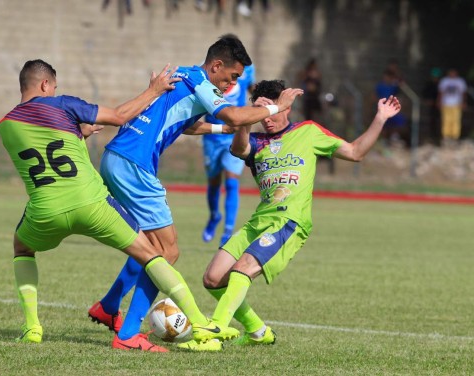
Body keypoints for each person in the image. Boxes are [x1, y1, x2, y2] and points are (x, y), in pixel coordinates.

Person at [0, 59, 238, 351]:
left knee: (22, 249)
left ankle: (32, 327)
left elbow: (49, 151)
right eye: (54, 87)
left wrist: (78, 134)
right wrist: (153, 90)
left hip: (45, 211)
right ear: (46, 84)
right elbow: (119, 116)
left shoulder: (6, 125)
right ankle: (199, 323)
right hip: (92, 205)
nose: (54, 92)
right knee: (154, 254)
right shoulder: (62, 104)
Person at [88, 36, 303, 351]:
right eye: (231, 77)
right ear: (216, 65)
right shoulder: (203, 81)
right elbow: (233, 115)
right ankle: (129, 333)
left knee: (149, 245)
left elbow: (183, 123)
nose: (232, 85)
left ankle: (108, 307)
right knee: (166, 253)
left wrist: (217, 130)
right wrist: (277, 106)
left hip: (117, 156)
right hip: (135, 164)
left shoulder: (186, 76)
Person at [193, 80, 401, 351]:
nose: (266, 118)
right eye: (261, 112)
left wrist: (380, 118)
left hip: (289, 222)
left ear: (286, 107)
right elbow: (238, 150)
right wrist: (247, 116)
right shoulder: (256, 141)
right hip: (259, 221)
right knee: (212, 278)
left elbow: (355, 152)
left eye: (272, 109)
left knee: (242, 269)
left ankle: (217, 328)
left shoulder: (308, 132)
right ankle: (258, 331)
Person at [202, 34, 256, 248]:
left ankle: (227, 231)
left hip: (233, 134)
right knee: (214, 181)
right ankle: (214, 216)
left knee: (232, 180)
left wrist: (263, 102)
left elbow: (252, 88)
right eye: (232, 76)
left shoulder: (246, 70)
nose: (233, 81)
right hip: (212, 134)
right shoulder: (211, 72)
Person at [438, 68, 468, 144]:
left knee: (456, 120)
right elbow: (441, 92)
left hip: (456, 104)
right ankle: (446, 136)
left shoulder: (460, 81)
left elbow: (463, 93)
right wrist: (439, 101)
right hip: (446, 103)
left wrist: (464, 102)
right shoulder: (445, 81)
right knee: (446, 120)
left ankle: (455, 136)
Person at [297, 58, 323, 123]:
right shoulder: (306, 74)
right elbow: (301, 80)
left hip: (315, 98)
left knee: (317, 116)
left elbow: (318, 85)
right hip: (308, 98)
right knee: (308, 117)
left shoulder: (317, 74)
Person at [422, 67, 442, 145]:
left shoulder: (440, 84)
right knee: (431, 121)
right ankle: (431, 136)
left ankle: (438, 137)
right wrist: (428, 100)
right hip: (431, 107)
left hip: (439, 106)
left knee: (439, 121)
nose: (435, 79)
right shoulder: (429, 84)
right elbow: (425, 94)